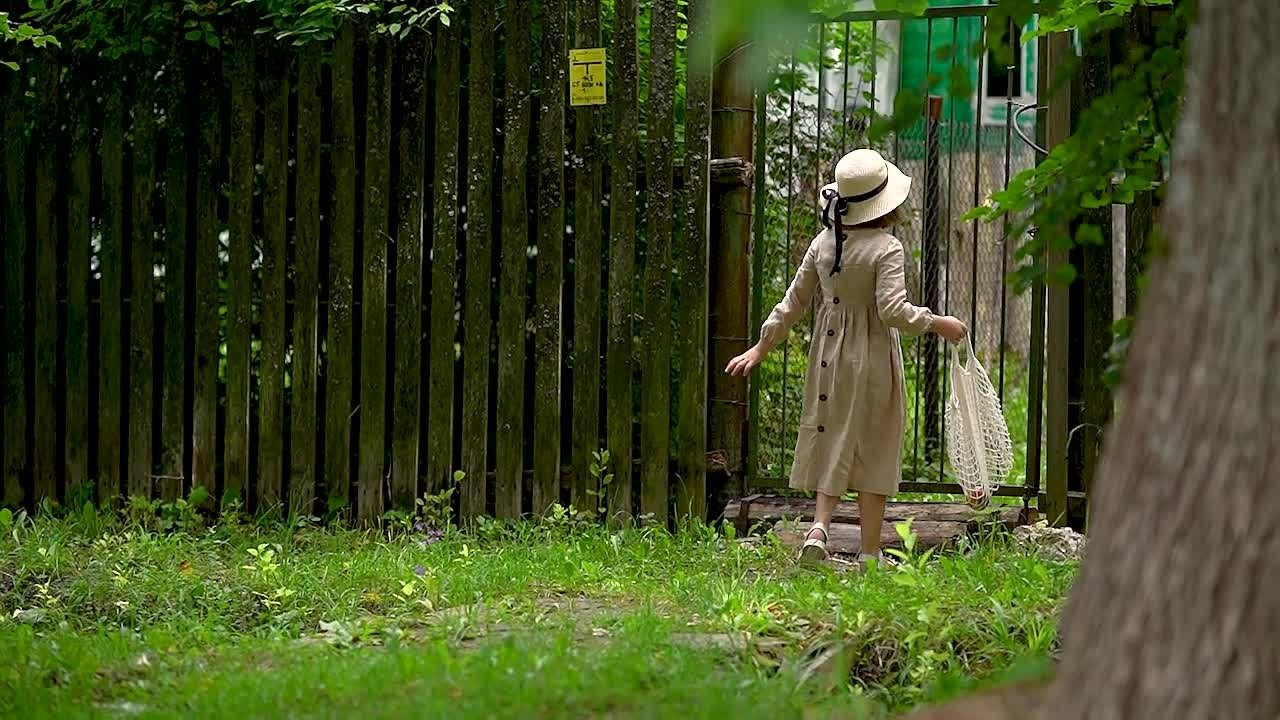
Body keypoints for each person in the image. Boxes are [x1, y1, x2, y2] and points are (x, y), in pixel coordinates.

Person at [726, 148, 967, 568]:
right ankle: (870, 553)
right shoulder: (886, 248)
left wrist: (761, 346)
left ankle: (818, 528)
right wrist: (938, 323)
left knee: (833, 433)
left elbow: (794, 302)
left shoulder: (823, 243)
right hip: (871, 357)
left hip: (828, 355)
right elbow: (893, 311)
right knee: (873, 443)